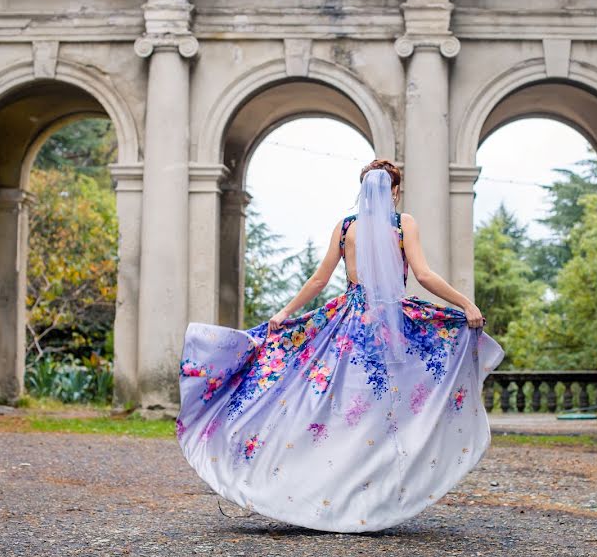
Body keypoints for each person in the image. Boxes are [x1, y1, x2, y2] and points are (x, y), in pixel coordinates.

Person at [176, 159, 505, 533]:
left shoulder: (346, 226)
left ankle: (328, 497)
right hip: (391, 331)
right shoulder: (403, 224)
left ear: (363, 190)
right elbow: (424, 275)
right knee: (380, 416)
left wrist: (285, 312)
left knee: (338, 412)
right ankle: (365, 502)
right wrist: (465, 303)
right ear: (394, 190)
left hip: (349, 326)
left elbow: (319, 280)